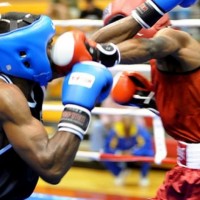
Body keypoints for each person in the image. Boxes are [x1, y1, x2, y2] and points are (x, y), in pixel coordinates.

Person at [0, 12, 122, 199]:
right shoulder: (5, 96)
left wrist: (150, 10)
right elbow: (51, 167)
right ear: (23, 54)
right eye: (48, 44)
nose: (53, 49)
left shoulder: (26, 77)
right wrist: (78, 109)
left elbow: (88, 49)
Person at [90, 0, 200, 199]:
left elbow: (150, 46)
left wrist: (99, 53)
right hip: (184, 172)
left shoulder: (172, 37)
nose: (121, 38)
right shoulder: (164, 62)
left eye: (125, 28)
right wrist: (153, 103)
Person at [103, 115, 154, 186]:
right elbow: (108, 147)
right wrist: (119, 152)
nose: (127, 122)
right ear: (121, 120)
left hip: (135, 154)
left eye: (129, 119)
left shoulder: (139, 130)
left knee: (149, 154)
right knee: (104, 156)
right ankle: (119, 173)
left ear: (133, 120)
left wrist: (133, 152)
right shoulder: (115, 131)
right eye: (125, 119)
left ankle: (144, 176)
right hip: (121, 153)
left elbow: (146, 145)